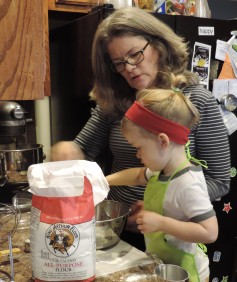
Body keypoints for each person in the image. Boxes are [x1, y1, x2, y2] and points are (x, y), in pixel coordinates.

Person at [51, 7, 230, 250]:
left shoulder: (197, 101)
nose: (129, 68)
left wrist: (163, 204)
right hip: (115, 227)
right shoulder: (116, 103)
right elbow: (82, 149)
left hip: (171, 233)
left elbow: (219, 179)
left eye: (134, 55)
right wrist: (67, 151)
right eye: (118, 63)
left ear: (158, 46)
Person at [106, 75, 218, 282]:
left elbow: (209, 232)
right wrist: (105, 181)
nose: (137, 155)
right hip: (166, 266)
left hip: (190, 272)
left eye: (138, 148)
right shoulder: (163, 170)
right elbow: (138, 175)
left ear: (162, 141)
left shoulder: (187, 183)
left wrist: (161, 222)